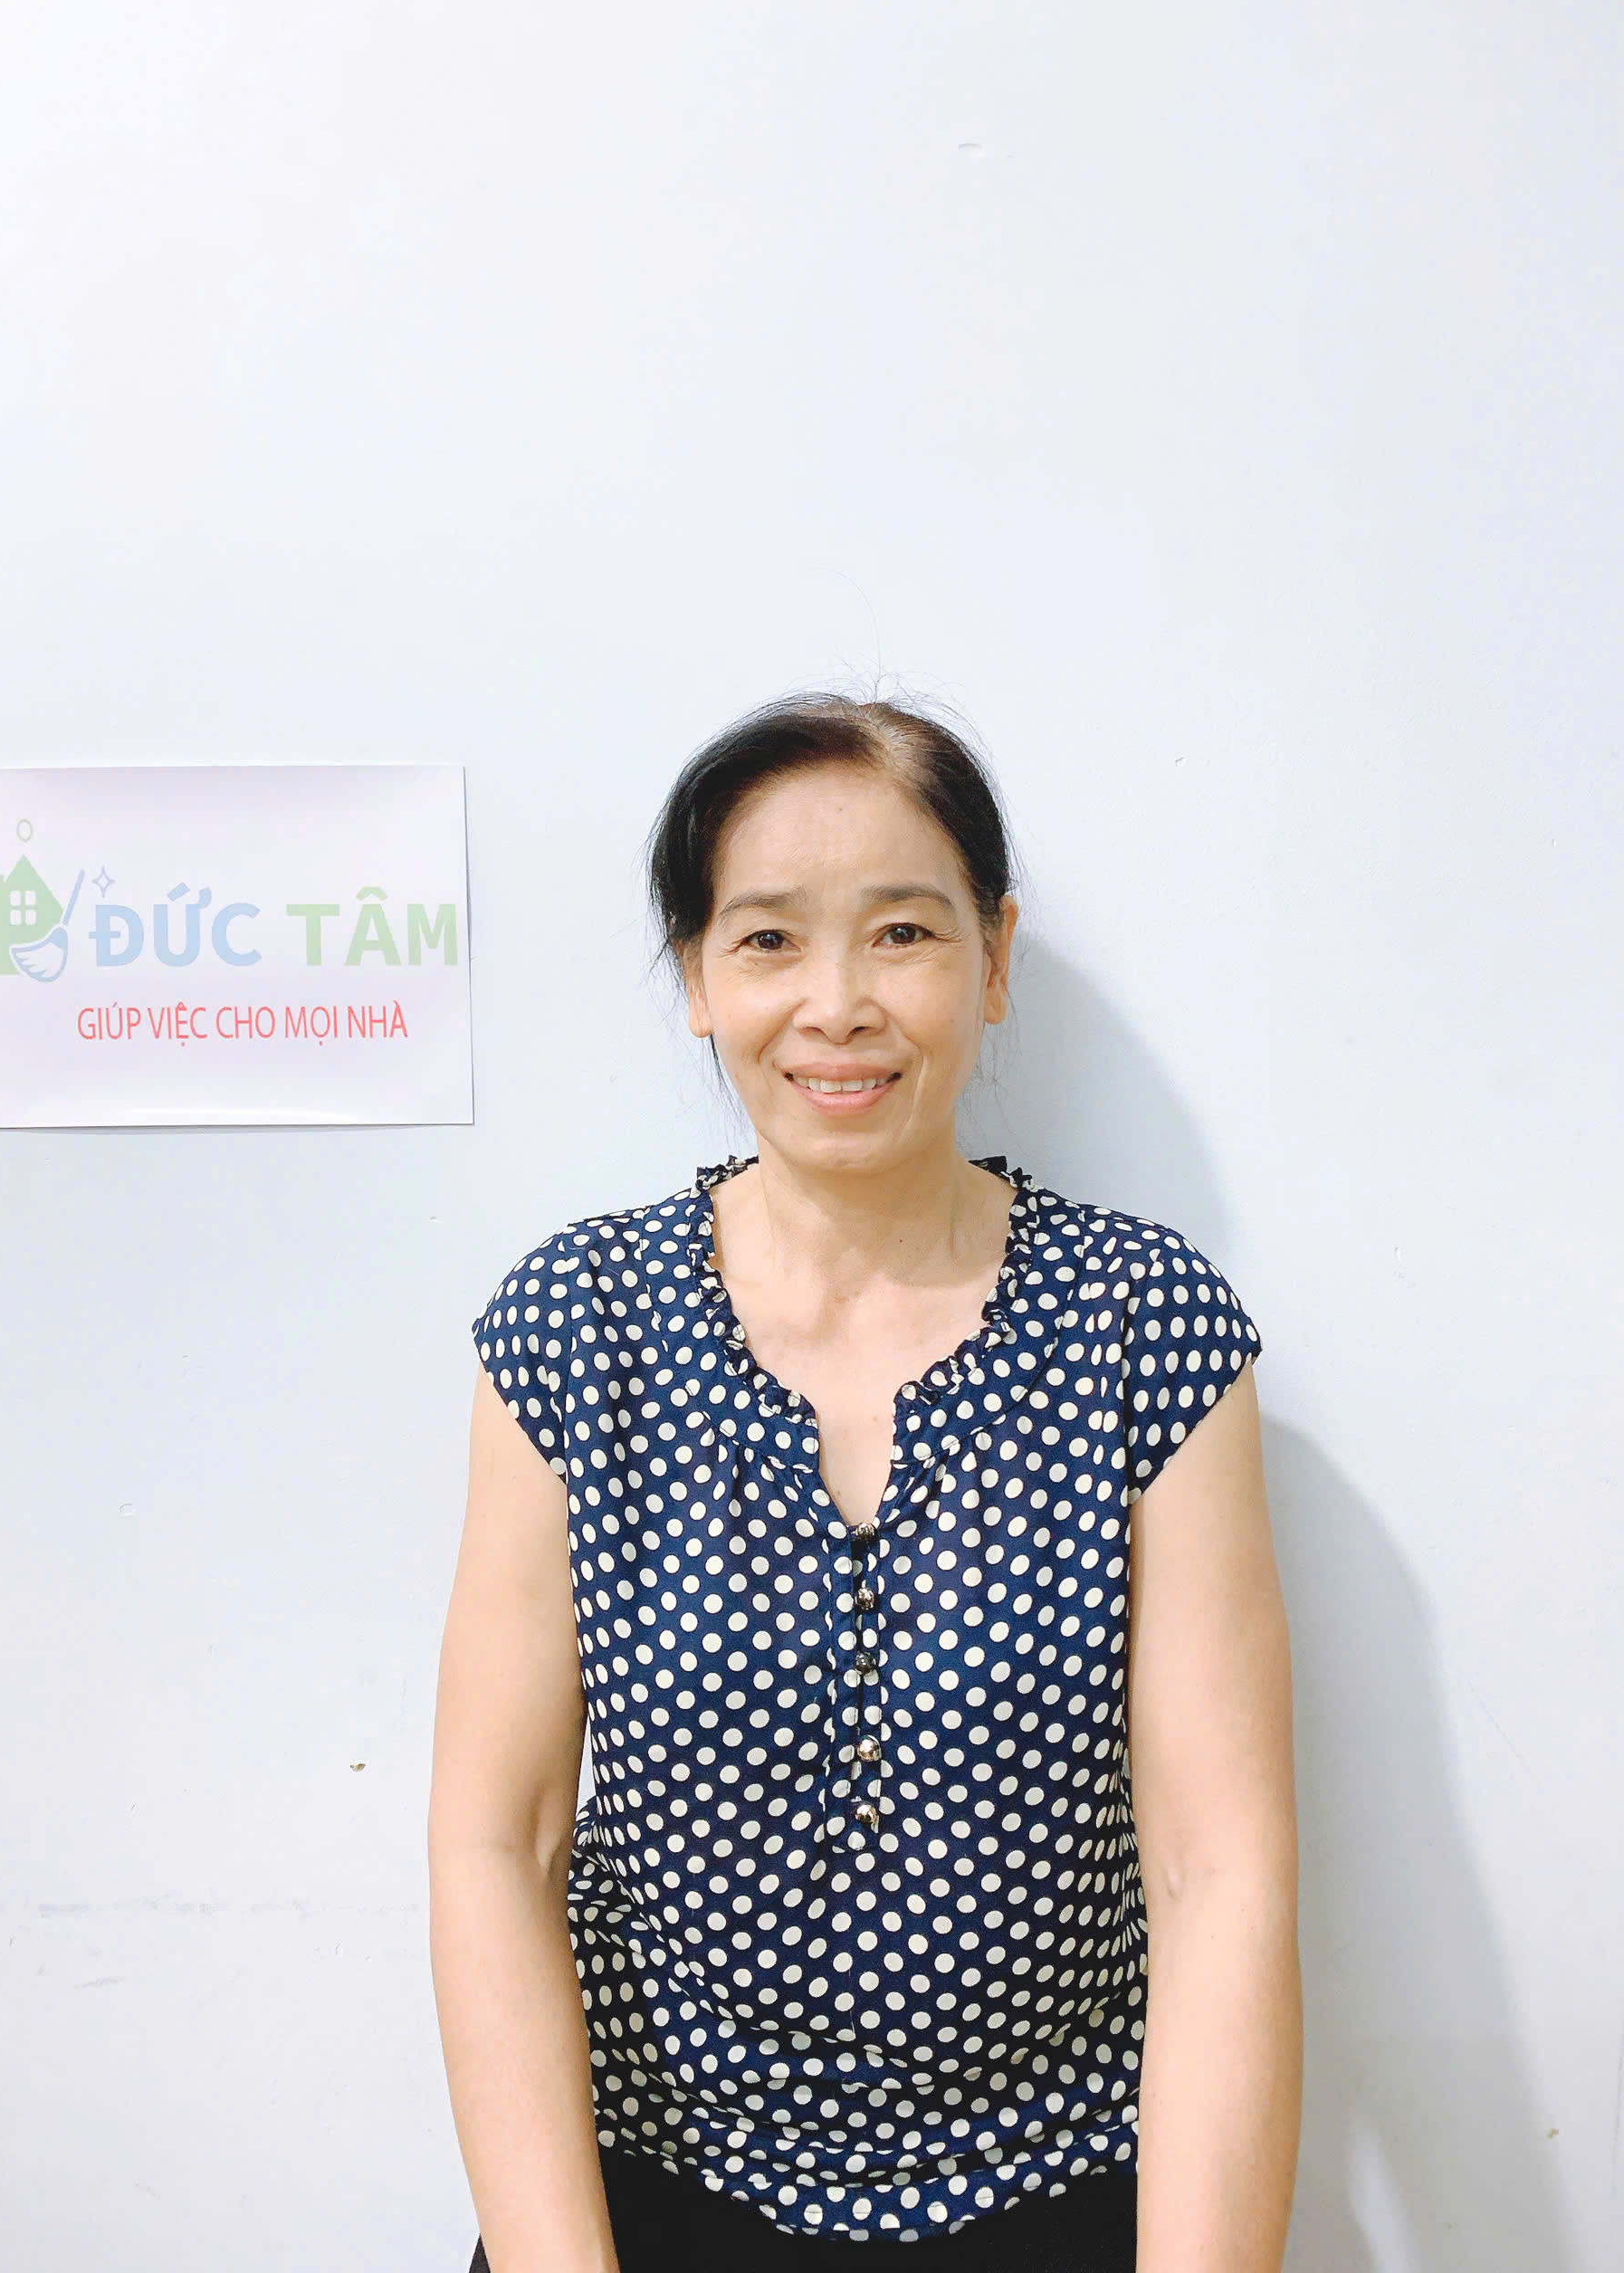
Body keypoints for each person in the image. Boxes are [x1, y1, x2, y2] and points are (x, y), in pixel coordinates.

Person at [428, 695, 1301, 2271]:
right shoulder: (575, 1327)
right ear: (697, 979)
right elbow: (502, 1842)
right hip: (658, 2178)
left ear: (995, 959)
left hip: (1052, 2183)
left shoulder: (1144, 1325)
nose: (837, 1005)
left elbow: (1218, 1870)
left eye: (903, 933)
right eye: (768, 941)